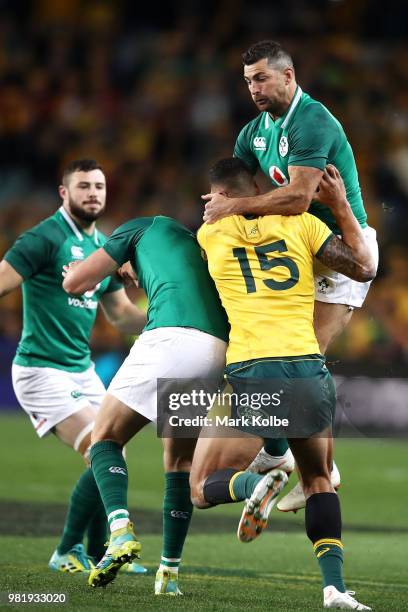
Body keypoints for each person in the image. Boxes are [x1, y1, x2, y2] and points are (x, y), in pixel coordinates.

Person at [201, 40, 379, 511]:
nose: (254, 89)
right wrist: (223, 210)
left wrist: (232, 208)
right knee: (279, 359)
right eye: (247, 81)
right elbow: (241, 187)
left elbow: (298, 198)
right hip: (298, 246)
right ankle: (287, 457)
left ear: (288, 76)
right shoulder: (252, 133)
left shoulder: (313, 120)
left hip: (341, 247)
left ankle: (313, 468)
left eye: (261, 78)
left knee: (304, 356)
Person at [191, 158, 375, 610]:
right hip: (306, 365)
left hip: (251, 370)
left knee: (201, 490)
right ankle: (334, 588)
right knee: (318, 481)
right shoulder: (306, 226)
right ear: (257, 187)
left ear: (216, 198)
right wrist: (342, 206)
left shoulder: (209, 235)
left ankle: (257, 478)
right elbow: (363, 269)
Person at [62, 214, 228, 594]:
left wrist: (75, 272)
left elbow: (76, 282)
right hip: (215, 350)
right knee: (180, 463)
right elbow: (134, 315)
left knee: (103, 439)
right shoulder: (193, 248)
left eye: (124, 273)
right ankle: (168, 574)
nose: (128, 279)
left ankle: (119, 530)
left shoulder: (138, 227)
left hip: (170, 339)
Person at [0, 159, 147, 575]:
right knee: (99, 448)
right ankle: (66, 549)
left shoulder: (105, 248)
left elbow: (119, 315)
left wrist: (165, 317)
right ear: (64, 193)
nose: (93, 193)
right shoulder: (44, 237)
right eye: (83, 186)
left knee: (112, 449)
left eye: (99, 186)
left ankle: (100, 550)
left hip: (80, 370)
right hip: (40, 370)